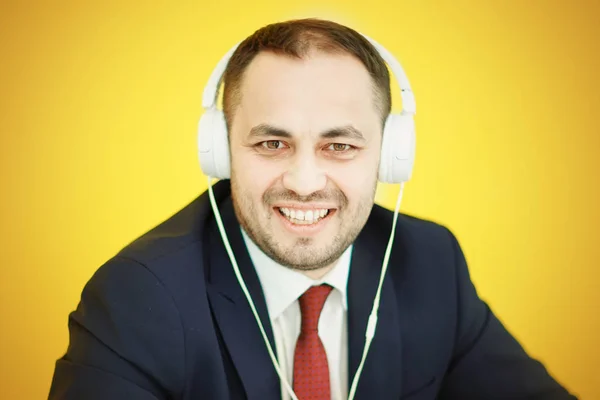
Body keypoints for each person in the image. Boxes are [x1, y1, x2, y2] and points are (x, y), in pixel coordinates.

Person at [48, 18, 577, 400]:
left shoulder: (430, 262)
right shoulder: (138, 297)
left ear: (392, 154)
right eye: (271, 144)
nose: (303, 183)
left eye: (340, 146)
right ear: (220, 149)